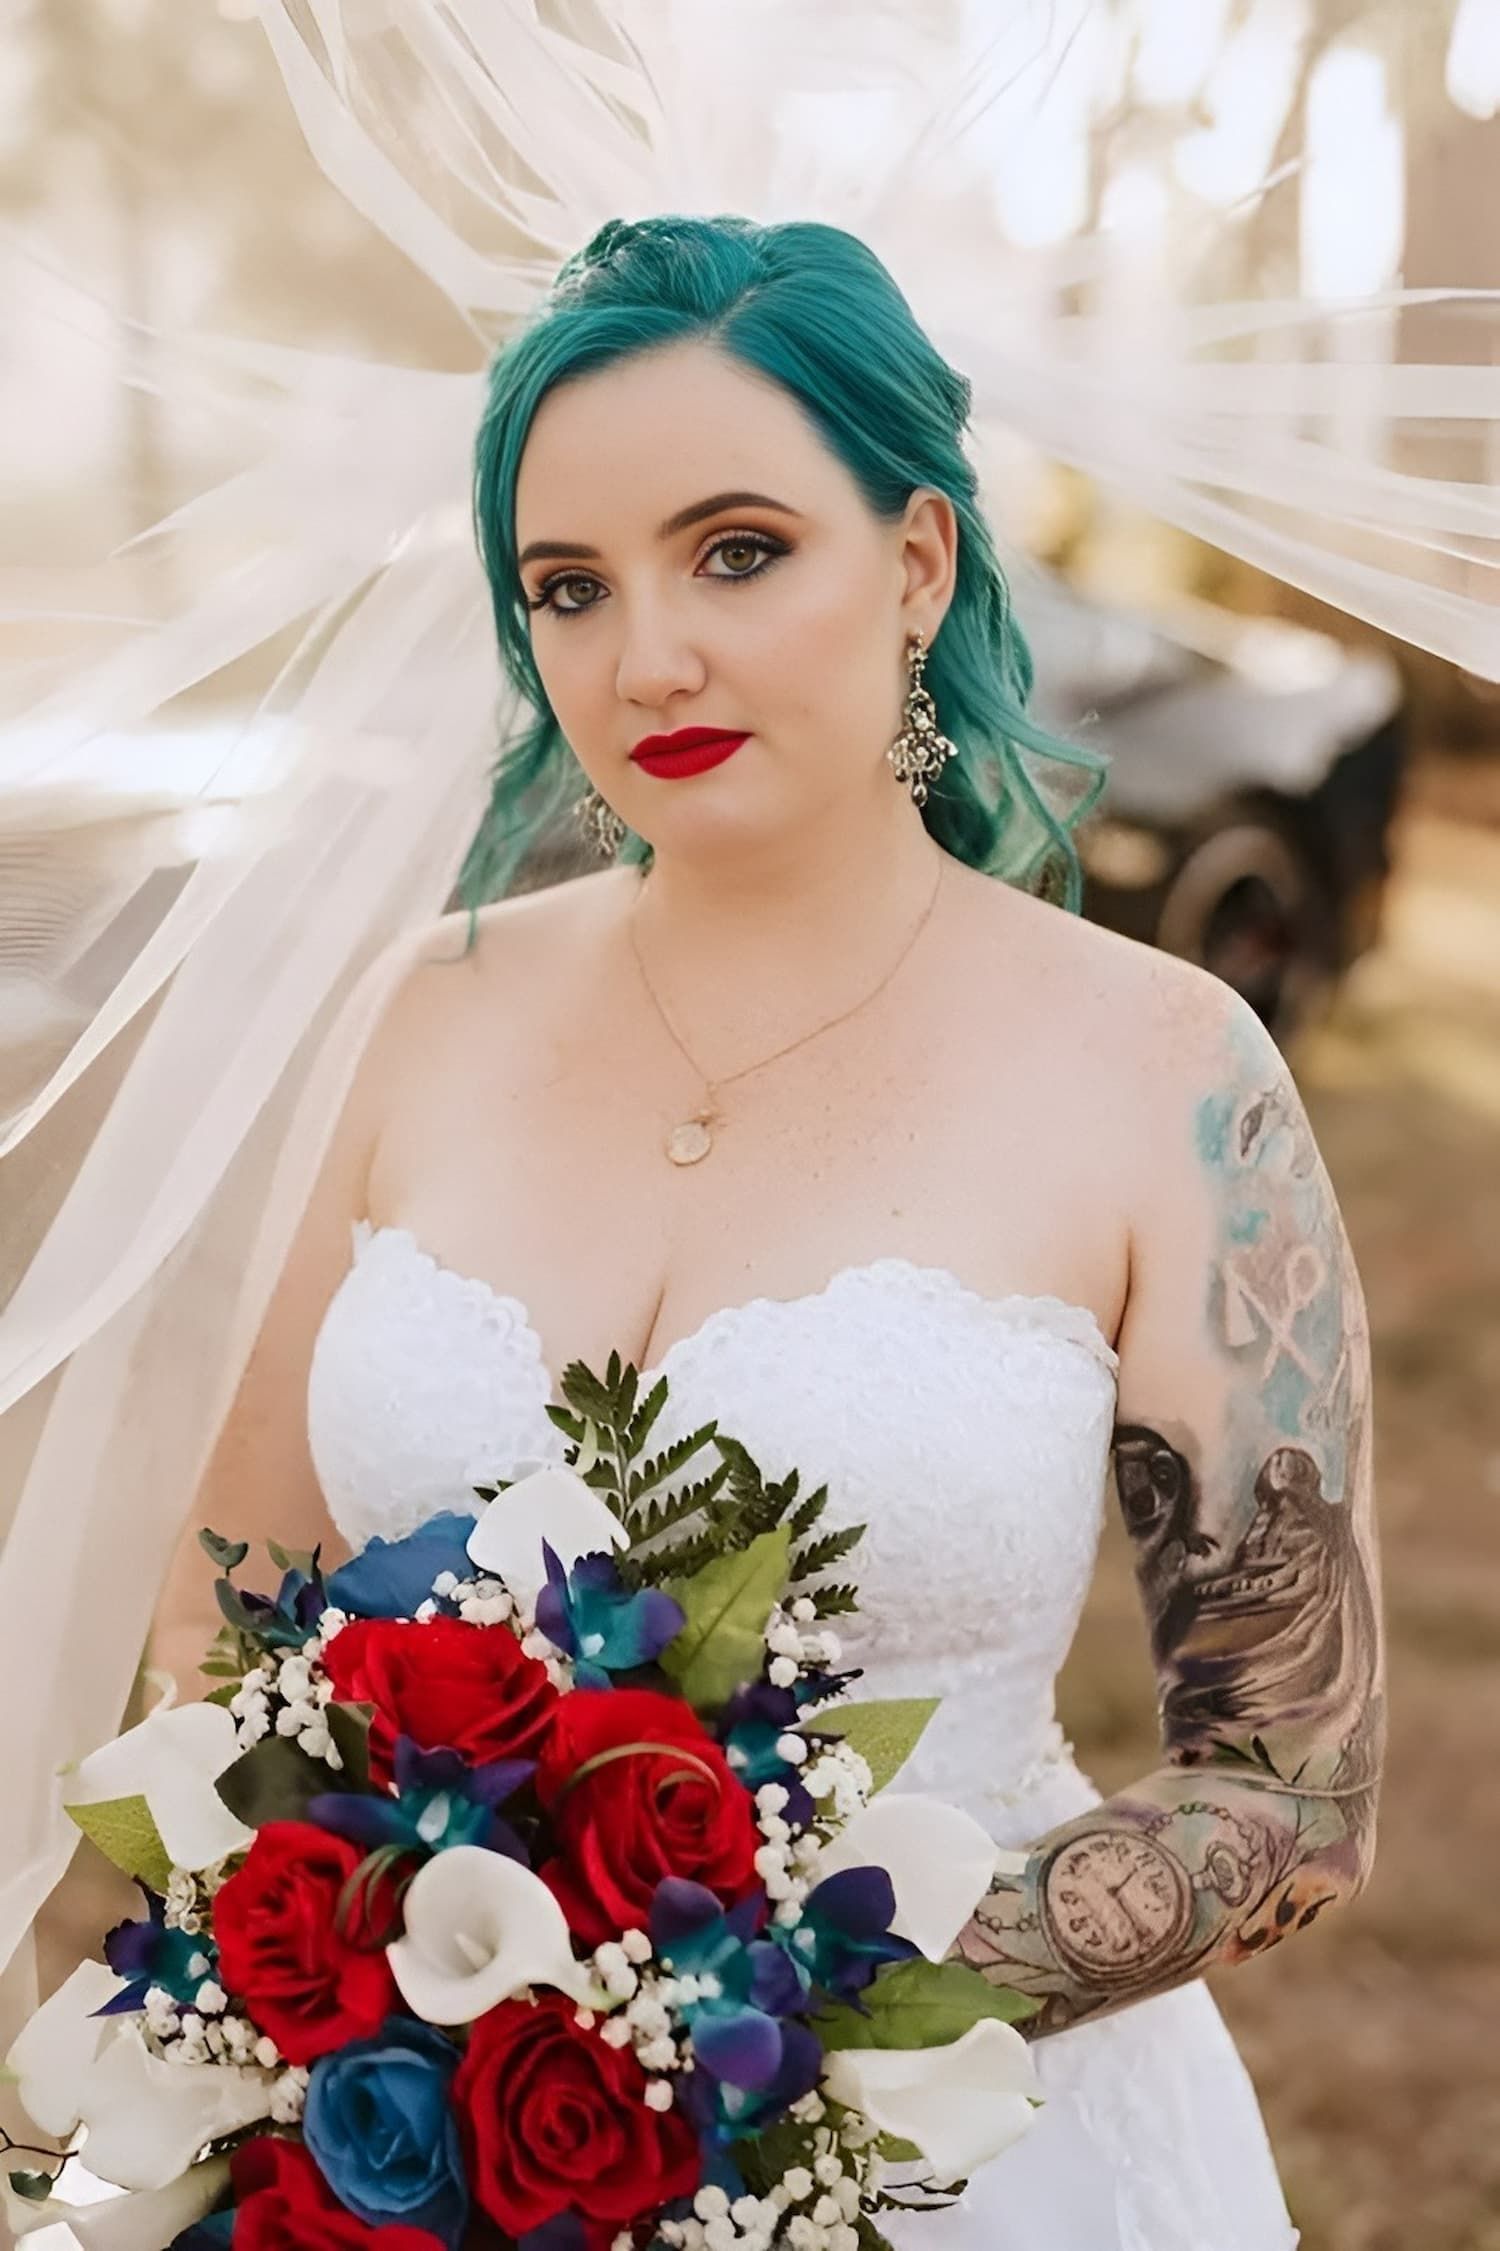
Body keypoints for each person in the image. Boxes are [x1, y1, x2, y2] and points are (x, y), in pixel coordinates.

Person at [148, 214, 1382, 2250]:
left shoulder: (1172, 1074)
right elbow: (229, 1616)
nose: (647, 655)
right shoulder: (413, 1017)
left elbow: (1293, 1792)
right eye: (570, 586)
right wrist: (373, 2003)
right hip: (442, 2152)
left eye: (735, 551)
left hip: (985, 2159)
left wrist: (767, 2009)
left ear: (918, 565)